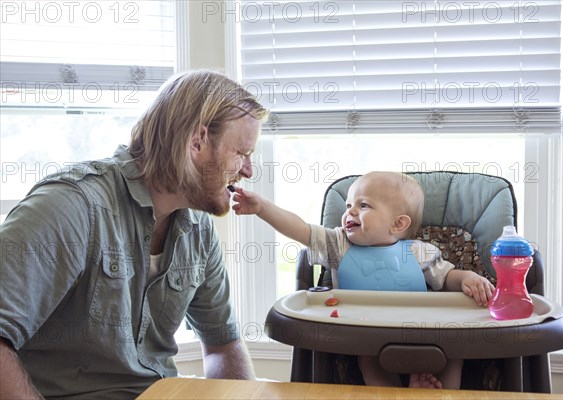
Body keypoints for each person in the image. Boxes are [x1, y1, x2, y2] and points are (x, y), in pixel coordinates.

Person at [0, 70, 269, 399]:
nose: (249, 170)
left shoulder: (198, 231)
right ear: (197, 142)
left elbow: (222, 345)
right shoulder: (72, 207)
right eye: (241, 153)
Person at [231, 171, 495, 389]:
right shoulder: (339, 245)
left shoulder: (417, 251)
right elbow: (301, 230)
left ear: (398, 223)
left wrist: (466, 278)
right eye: (348, 205)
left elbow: (446, 277)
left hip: (421, 331)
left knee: (453, 355)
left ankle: (439, 393)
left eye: (363, 205)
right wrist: (262, 208)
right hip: (366, 335)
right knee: (368, 362)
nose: (350, 212)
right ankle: (397, 395)